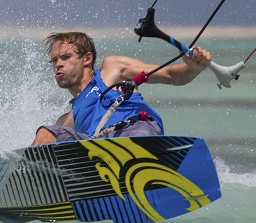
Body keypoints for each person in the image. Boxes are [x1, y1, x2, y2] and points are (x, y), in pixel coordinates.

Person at [31, 31, 212, 145]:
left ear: (87, 58)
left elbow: (173, 76)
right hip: (101, 152)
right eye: (54, 60)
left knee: (136, 138)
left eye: (65, 57)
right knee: (46, 133)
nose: (58, 64)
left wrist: (193, 68)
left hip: (135, 131)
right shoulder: (66, 120)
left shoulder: (111, 70)